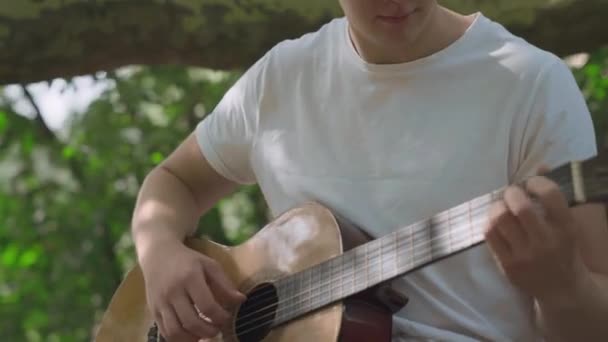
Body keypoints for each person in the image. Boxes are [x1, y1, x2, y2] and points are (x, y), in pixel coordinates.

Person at [130, 0, 608, 341]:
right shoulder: (281, 78)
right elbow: (172, 182)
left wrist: (565, 288)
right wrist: (160, 254)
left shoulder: (530, 84)